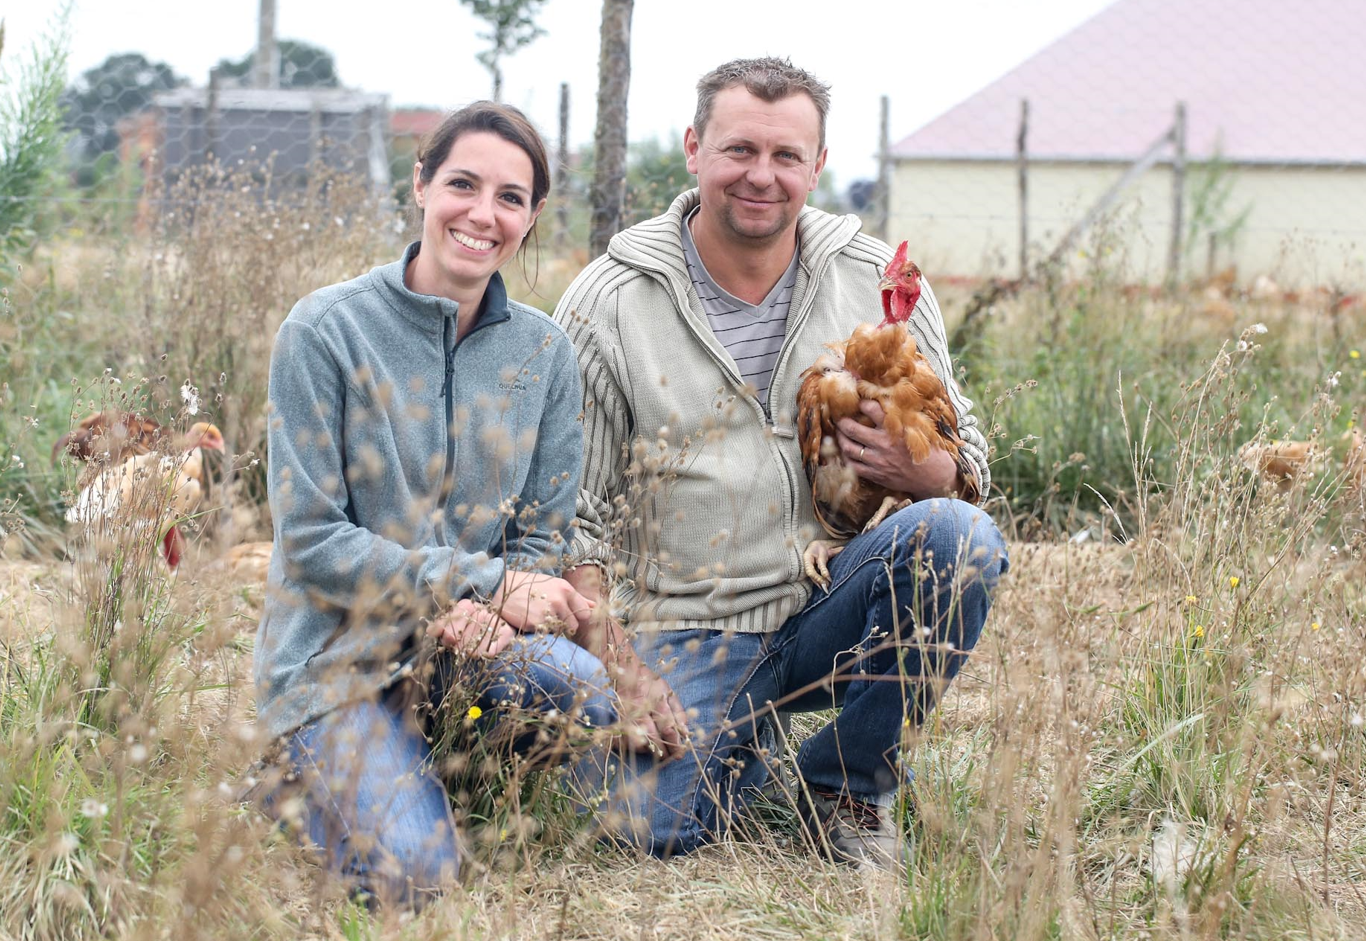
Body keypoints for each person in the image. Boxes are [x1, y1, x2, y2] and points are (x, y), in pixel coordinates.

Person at [552, 58, 1009, 868]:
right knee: (644, 827)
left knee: (959, 537)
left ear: (818, 166)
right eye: (739, 150)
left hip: (834, 596)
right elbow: (570, 517)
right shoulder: (611, 300)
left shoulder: (876, 279)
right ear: (694, 149)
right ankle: (742, 732)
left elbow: (965, 449)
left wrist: (932, 475)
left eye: (787, 156)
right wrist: (623, 669)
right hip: (689, 621)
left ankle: (845, 778)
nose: (762, 176)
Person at [254, 102, 647, 909]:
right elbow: (313, 540)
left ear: (532, 216)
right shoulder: (325, 331)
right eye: (462, 184)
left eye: (510, 197)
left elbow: (542, 531)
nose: (482, 213)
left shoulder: (543, 351)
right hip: (338, 666)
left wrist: (491, 611)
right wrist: (470, 586)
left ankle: (442, 756)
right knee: (414, 875)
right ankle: (300, 769)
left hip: (469, 659)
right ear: (422, 185)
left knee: (583, 690)